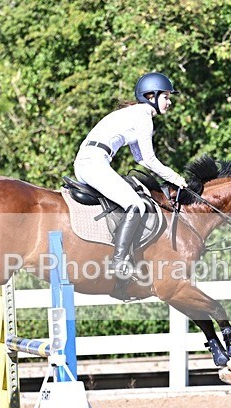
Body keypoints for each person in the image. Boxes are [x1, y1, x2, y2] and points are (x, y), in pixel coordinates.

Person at [74, 72, 188, 277]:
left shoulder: (135, 113)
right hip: (94, 163)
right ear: (151, 96)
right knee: (136, 205)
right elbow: (150, 159)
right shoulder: (143, 116)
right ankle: (118, 261)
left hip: (87, 162)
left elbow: (140, 158)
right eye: (166, 97)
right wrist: (175, 178)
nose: (169, 102)